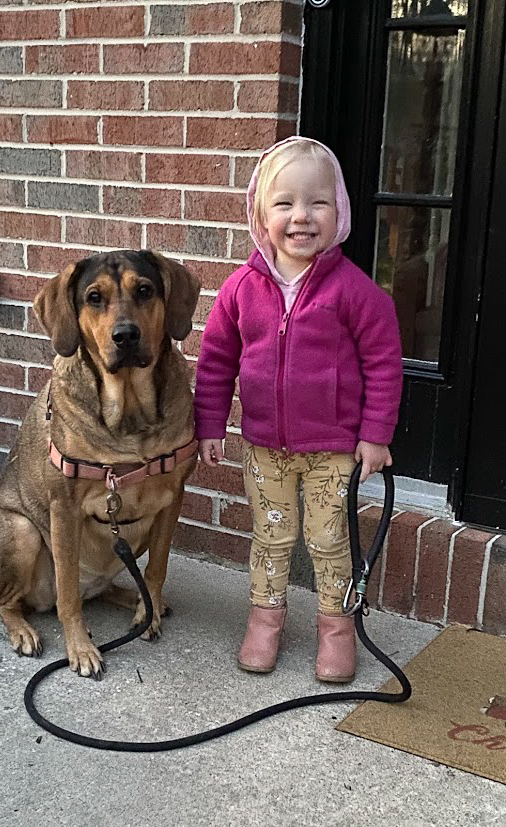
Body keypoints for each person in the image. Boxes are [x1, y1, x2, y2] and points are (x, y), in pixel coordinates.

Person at [194, 136, 403, 682]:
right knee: (271, 535)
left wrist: (375, 434)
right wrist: (210, 425)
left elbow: (384, 366)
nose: (301, 216)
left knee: (331, 539)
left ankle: (337, 628)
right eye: (284, 203)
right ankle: (266, 620)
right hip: (265, 445)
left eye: (318, 203)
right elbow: (216, 362)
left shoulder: (358, 294)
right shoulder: (240, 290)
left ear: (340, 213)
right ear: (261, 216)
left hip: (335, 450)